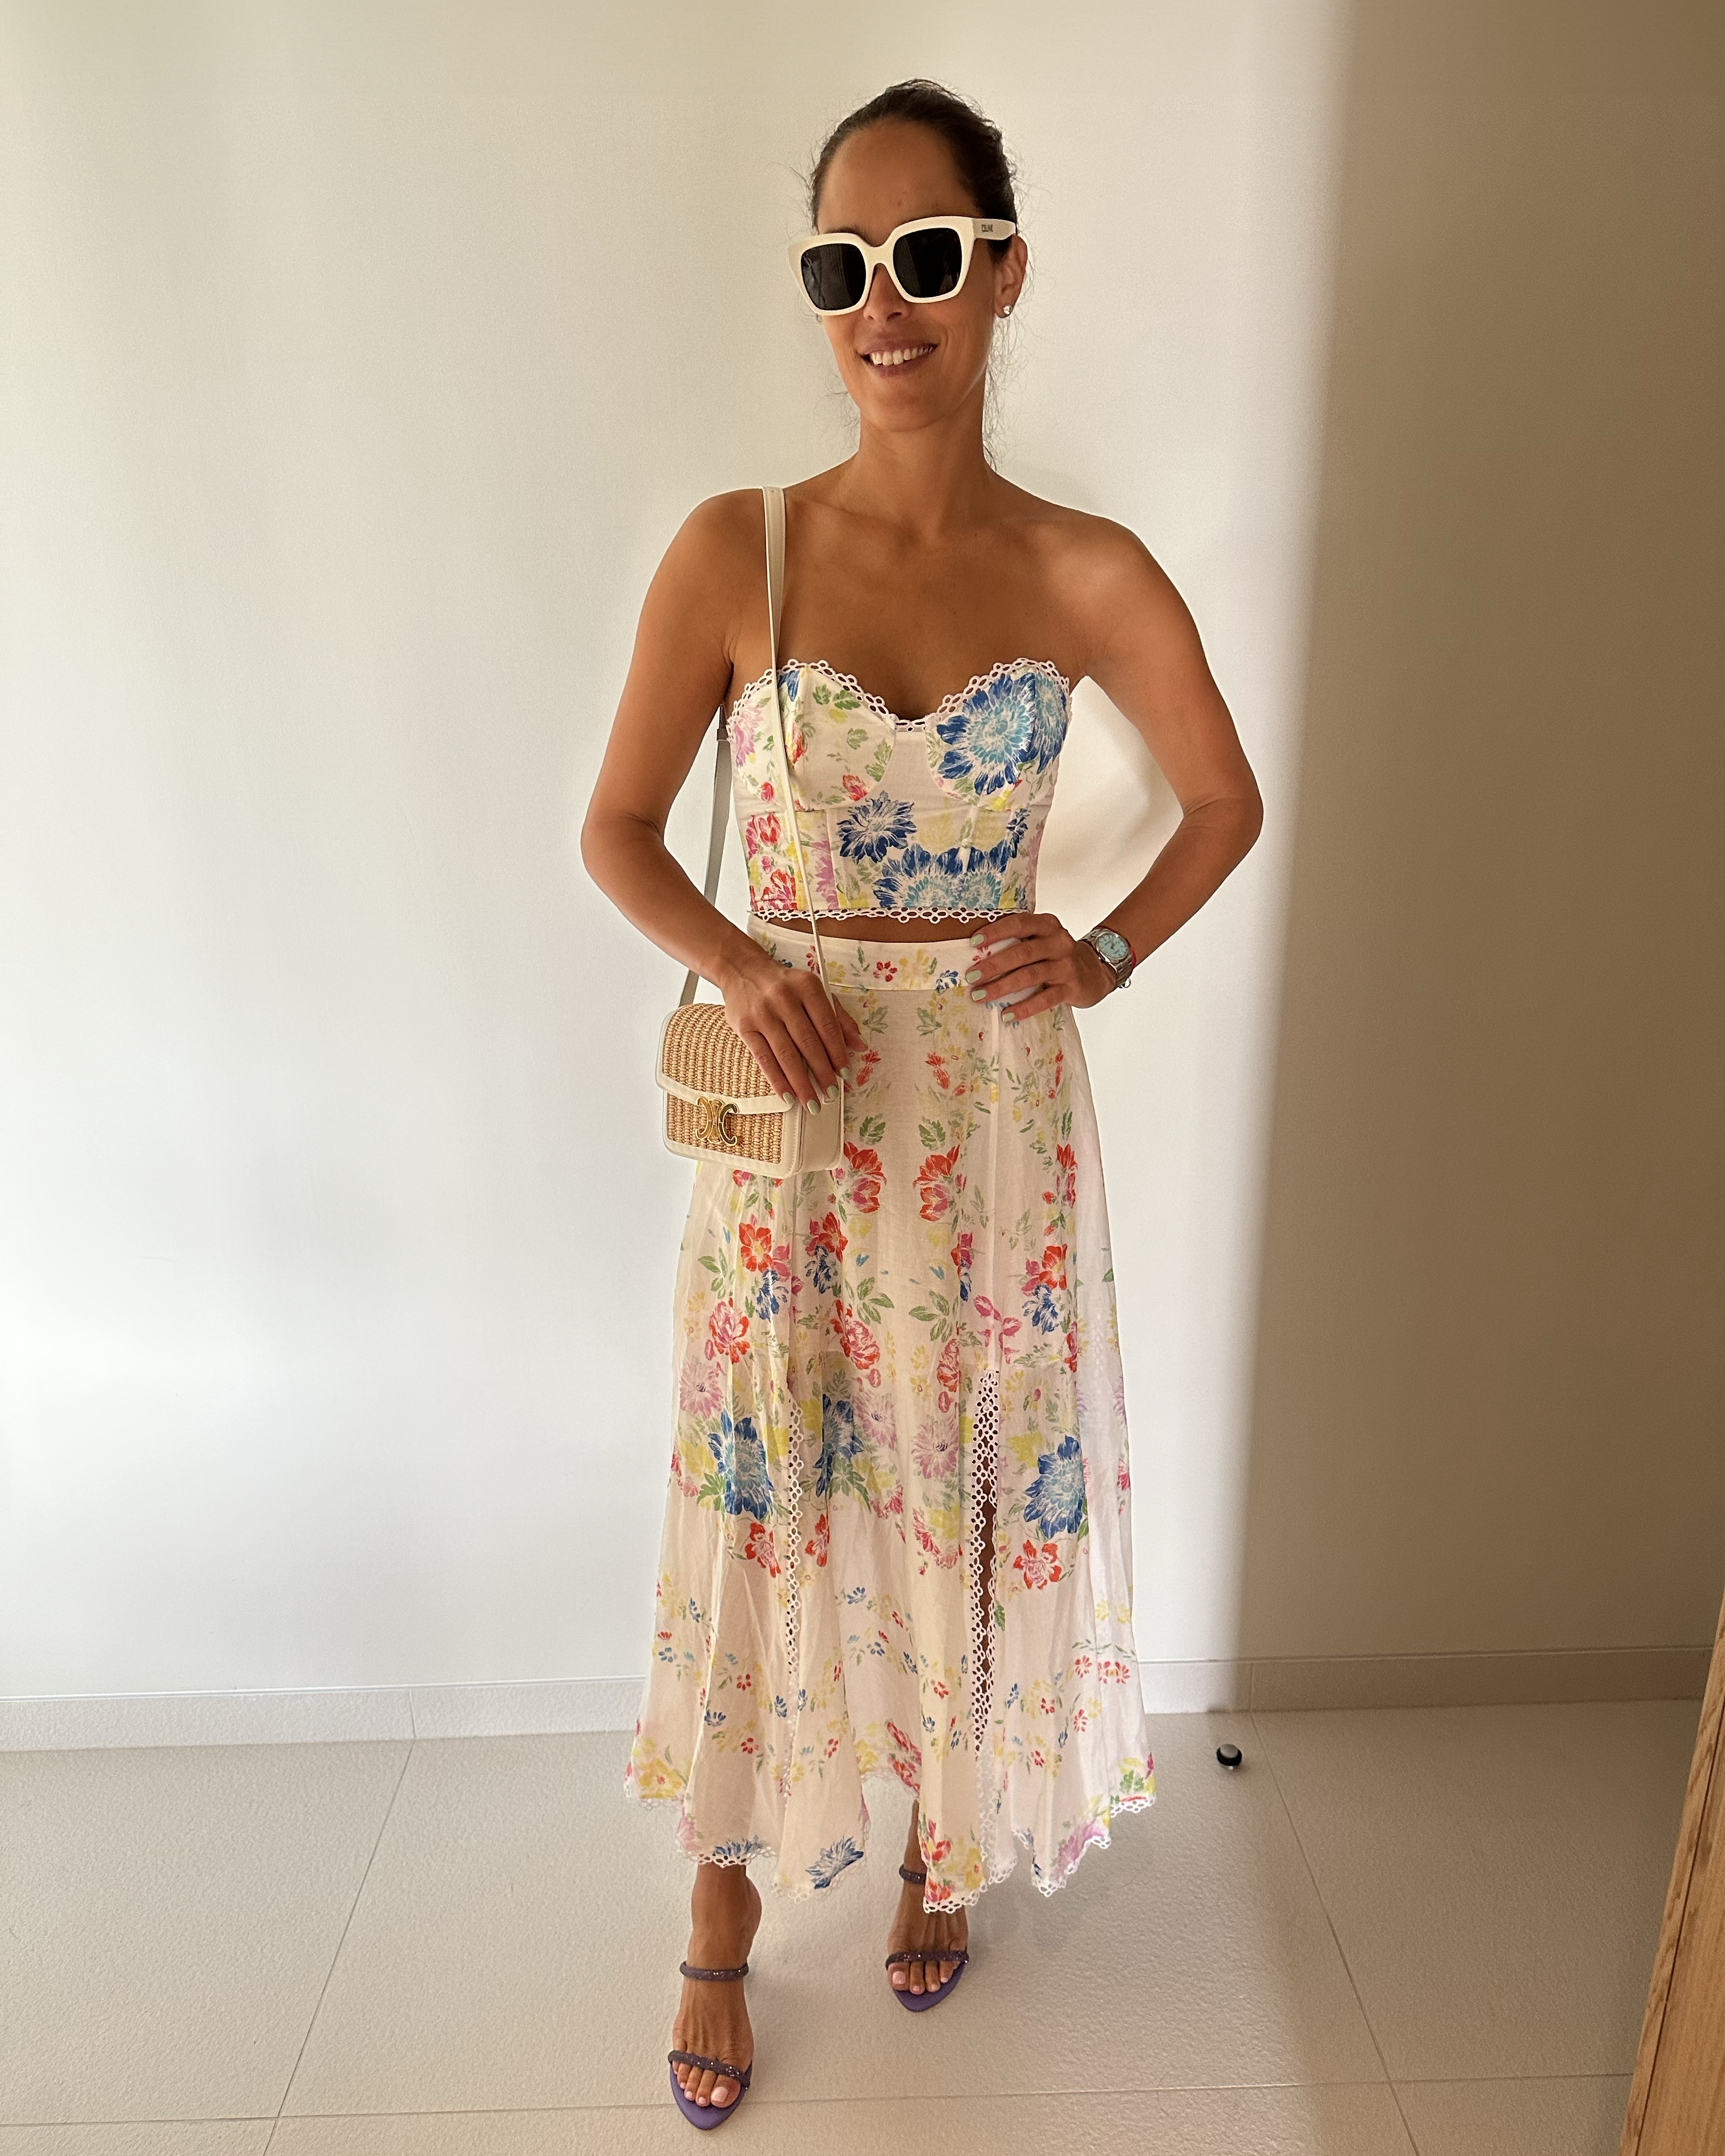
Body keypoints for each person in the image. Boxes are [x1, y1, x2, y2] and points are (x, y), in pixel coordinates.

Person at [581, 77, 1263, 2127]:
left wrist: (1106, 949)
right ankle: (718, 1906)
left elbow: (1225, 799)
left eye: (927, 256)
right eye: (842, 266)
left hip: (990, 1124)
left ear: (1003, 272)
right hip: (795, 1114)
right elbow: (618, 829)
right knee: (765, 1484)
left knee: (963, 1485)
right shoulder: (738, 547)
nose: (884, 305)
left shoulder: (1083, 569)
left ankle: (939, 1837)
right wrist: (742, 962)